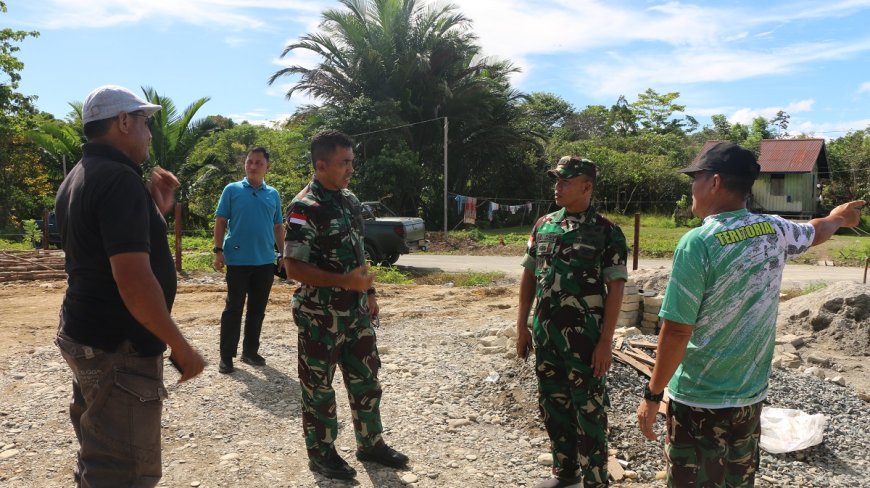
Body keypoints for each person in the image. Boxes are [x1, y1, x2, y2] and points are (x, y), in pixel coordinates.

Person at [636, 142, 866, 487]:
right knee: (737, 479)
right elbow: (816, 231)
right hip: (750, 396)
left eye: (694, 180)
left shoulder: (698, 242)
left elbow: (678, 331)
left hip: (699, 399)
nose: (691, 189)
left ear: (713, 182)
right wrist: (840, 217)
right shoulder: (774, 229)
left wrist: (653, 395)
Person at [54, 85, 205, 487]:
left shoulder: (80, 176)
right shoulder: (119, 180)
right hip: (119, 349)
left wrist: (154, 211)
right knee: (123, 474)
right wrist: (181, 345)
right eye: (144, 122)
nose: (150, 133)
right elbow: (134, 281)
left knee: (99, 455)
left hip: (88, 336)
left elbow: (101, 251)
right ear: (122, 122)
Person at [282, 130, 409, 480]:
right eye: (344, 162)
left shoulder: (349, 200)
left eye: (352, 161)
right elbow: (293, 267)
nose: (351, 168)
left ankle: (371, 443)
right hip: (319, 316)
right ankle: (321, 453)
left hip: (355, 313)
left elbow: (359, 252)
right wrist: (345, 282)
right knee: (319, 388)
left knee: (367, 379)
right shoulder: (304, 207)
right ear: (321, 165)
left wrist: (368, 293)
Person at [516, 156, 628, 488]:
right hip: (547, 336)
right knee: (553, 406)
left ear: (587, 186)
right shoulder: (544, 225)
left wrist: (606, 341)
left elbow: (617, 287)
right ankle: (564, 473)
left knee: (590, 412)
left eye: (565, 181)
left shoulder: (607, 232)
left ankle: (595, 480)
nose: (558, 186)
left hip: (586, 341)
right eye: (557, 180)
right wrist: (521, 326)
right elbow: (529, 276)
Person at [213, 147, 284, 374]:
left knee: (257, 309)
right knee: (233, 308)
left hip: (264, 261)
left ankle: (250, 352)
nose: (253, 166)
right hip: (237, 260)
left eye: (258, 163)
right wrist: (218, 250)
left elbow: (278, 226)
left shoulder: (273, 194)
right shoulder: (232, 190)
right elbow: (221, 220)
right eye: (249, 162)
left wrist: (283, 254)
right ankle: (226, 356)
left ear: (267, 167)